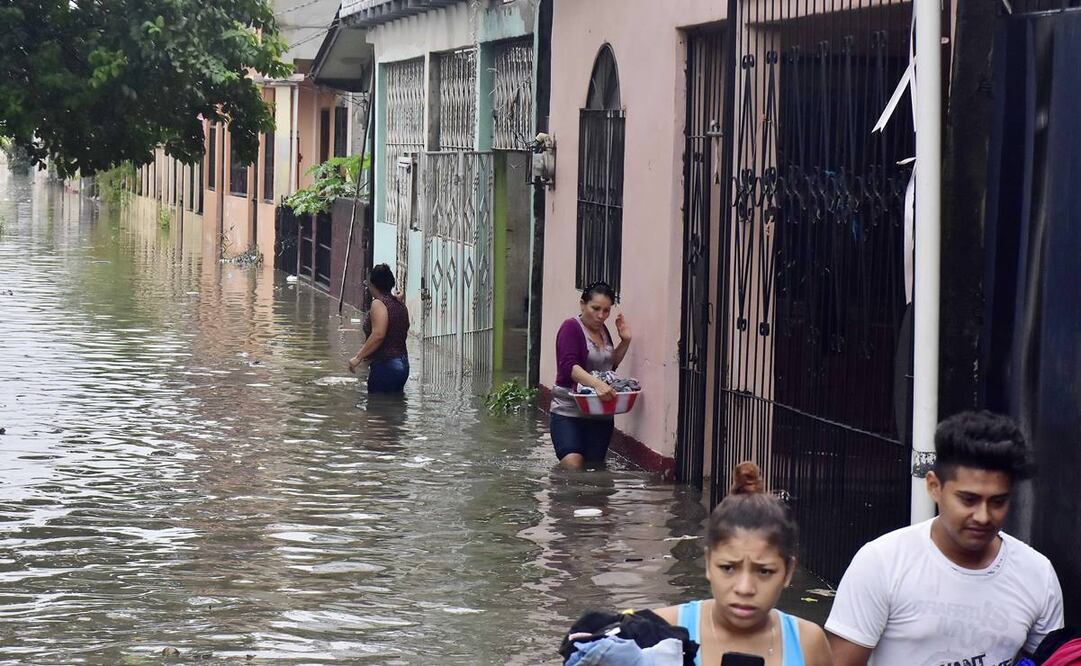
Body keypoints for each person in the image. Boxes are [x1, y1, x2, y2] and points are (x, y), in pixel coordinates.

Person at [826, 410, 1064, 666]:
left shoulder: (1037, 574)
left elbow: (1052, 660)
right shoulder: (882, 563)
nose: (983, 516)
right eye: (968, 499)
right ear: (934, 487)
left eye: (998, 501)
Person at [654, 462, 833, 666]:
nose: (745, 588)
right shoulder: (663, 631)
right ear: (708, 563)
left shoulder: (807, 643)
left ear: (788, 572)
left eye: (764, 571)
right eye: (728, 568)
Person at [549, 281, 631, 470]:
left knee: (594, 468)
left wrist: (625, 341)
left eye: (606, 310)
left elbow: (609, 366)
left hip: (600, 413)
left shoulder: (604, 331)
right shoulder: (570, 327)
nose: (601, 316)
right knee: (573, 463)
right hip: (568, 409)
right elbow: (569, 367)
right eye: (595, 308)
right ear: (582, 304)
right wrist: (597, 385)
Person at [348, 264, 410, 393]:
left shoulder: (378, 303)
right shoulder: (399, 304)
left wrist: (358, 358)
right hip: (403, 365)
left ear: (373, 285)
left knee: (376, 409)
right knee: (393, 408)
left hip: (386, 365)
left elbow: (378, 335)